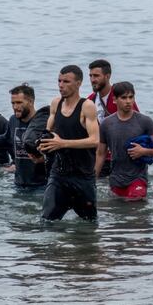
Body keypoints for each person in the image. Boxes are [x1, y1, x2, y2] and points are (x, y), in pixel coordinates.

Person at [39, 65, 99, 221]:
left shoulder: (87, 106)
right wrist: (41, 146)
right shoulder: (55, 104)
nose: (61, 85)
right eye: (59, 81)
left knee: (89, 224)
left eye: (66, 81)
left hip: (83, 176)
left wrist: (62, 143)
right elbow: (48, 134)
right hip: (58, 174)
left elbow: (95, 140)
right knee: (47, 220)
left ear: (78, 83)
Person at [95, 82, 153, 201]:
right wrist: (92, 180)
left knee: (135, 205)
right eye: (124, 97)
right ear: (114, 100)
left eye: (131, 97)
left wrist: (143, 151)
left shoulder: (145, 122)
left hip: (138, 178)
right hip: (116, 179)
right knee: (118, 213)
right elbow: (101, 154)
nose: (128, 101)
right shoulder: (106, 124)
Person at [87, 59, 139, 177]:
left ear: (107, 76)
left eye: (96, 76)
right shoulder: (90, 100)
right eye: (90, 76)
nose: (92, 79)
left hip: (124, 156)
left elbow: (137, 124)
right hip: (102, 156)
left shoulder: (122, 96)